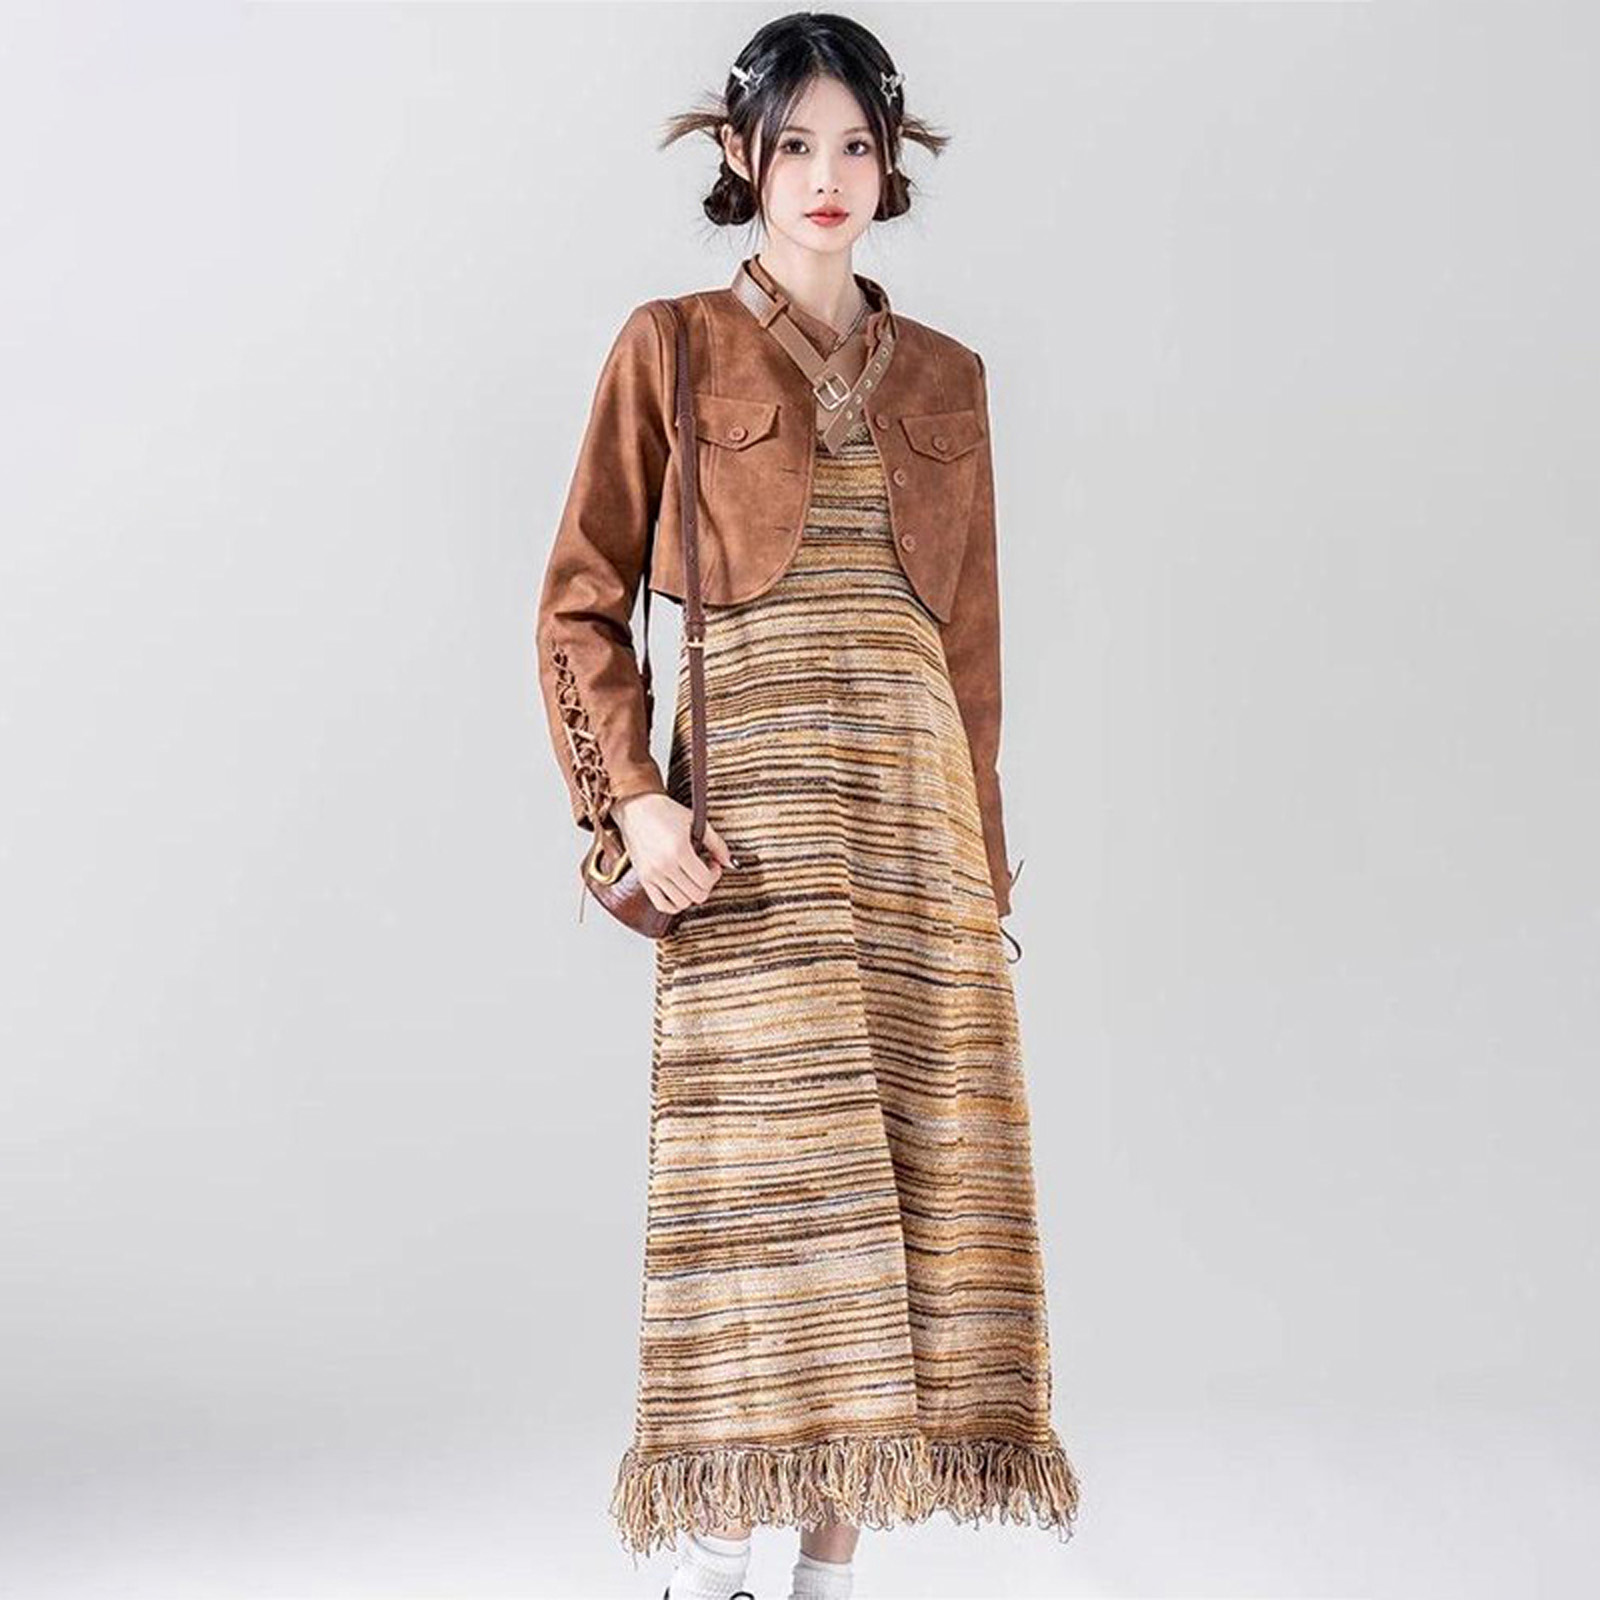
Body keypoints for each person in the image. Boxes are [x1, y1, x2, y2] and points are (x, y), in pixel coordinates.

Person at [535, 13, 1079, 1598]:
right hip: (751, 838)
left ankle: (829, 1583)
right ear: (739, 156)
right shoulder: (670, 347)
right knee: (768, 1197)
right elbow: (579, 604)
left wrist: (981, 870)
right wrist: (633, 805)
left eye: (855, 144)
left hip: (918, 840)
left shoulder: (952, 379)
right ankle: (708, 1573)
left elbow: (973, 655)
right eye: (793, 145)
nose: (826, 175)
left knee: (903, 1199)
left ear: (891, 161)